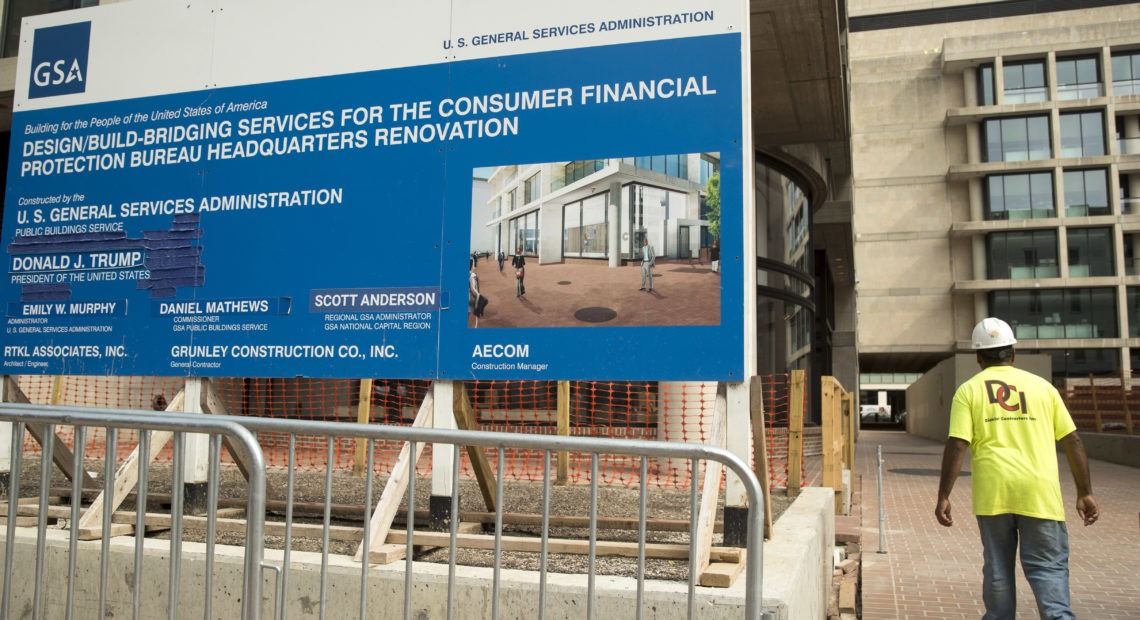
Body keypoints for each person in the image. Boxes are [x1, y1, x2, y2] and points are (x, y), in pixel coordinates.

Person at [936, 317, 1098, 620]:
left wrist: (944, 495)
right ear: (1013, 353)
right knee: (1048, 571)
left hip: (993, 495)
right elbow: (1072, 440)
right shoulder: (1043, 389)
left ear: (979, 356)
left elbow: (958, 444)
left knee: (998, 569)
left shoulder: (968, 391)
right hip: (1040, 495)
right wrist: (1085, 492)